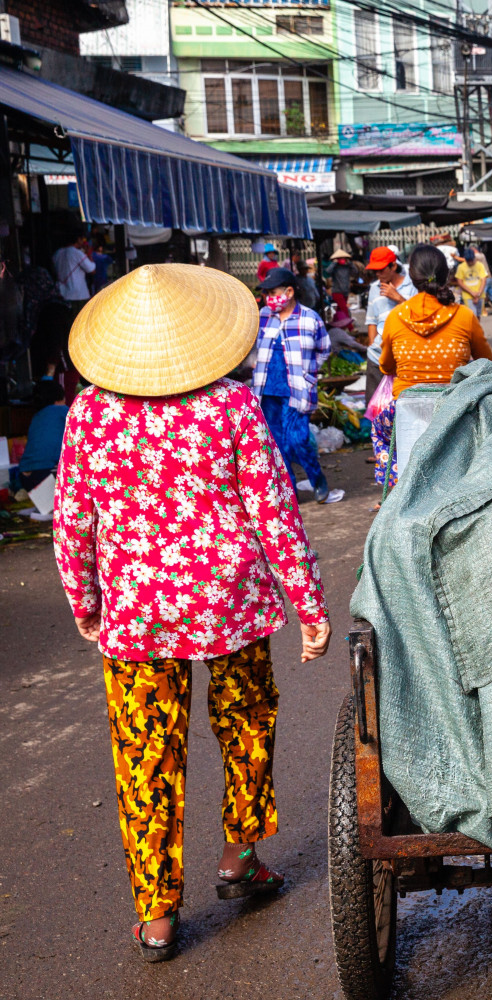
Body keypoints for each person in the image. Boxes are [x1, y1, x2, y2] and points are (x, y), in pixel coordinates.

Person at [52, 263, 331, 963]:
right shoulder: (230, 406)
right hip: (229, 606)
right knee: (244, 723)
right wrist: (310, 607)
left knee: (146, 755)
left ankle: (156, 914)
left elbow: (71, 522)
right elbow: (275, 512)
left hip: (136, 619)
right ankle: (239, 855)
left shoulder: (90, 412)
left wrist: (88, 605)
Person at [378, 244, 492, 482]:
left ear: (412, 277)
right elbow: (487, 363)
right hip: (456, 409)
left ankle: (394, 485)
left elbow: (385, 366)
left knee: (379, 431)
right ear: (446, 275)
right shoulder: (464, 315)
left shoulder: (395, 317)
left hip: (407, 408)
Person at [251, 267, 343, 505]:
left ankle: (318, 482)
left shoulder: (310, 318)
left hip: (298, 391)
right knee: (276, 444)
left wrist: (307, 373)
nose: (268, 298)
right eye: (266, 294)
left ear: (289, 291)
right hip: (267, 390)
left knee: (298, 440)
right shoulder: (263, 316)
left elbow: (324, 350)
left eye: (272, 292)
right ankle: (290, 491)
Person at [363, 247, 417, 486]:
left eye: (380, 270)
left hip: (403, 363)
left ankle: (405, 470)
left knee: (403, 417)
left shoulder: (412, 287)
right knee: (377, 417)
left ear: (393, 266)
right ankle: (386, 476)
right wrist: (372, 348)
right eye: (373, 271)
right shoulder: (374, 289)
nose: (377, 275)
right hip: (377, 360)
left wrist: (398, 298)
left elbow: (418, 318)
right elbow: (371, 322)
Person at [17, 377, 67, 491]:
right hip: (46, 472)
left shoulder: (36, 417)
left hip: (25, 474)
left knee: (46, 506)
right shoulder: (63, 410)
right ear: (60, 399)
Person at [52, 231, 96, 313]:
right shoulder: (77, 253)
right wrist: (89, 254)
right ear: (78, 239)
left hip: (62, 294)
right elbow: (92, 270)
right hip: (78, 295)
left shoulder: (57, 253)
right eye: (82, 239)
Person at [456, 246, 490, 318]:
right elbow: (459, 282)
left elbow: (484, 279)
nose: (470, 263)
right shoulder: (461, 267)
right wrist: (472, 293)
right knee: (472, 315)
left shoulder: (480, 265)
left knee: (478, 315)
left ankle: (477, 329)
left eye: (471, 260)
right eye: (468, 261)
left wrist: (478, 293)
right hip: (468, 295)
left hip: (480, 294)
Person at [327, 249, 355, 314]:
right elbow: (328, 271)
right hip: (337, 292)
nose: (342, 259)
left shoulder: (347, 267)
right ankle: (348, 323)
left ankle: (336, 322)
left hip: (346, 291)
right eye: (340, 258)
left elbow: (355, 272)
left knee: (340, 310)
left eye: (343, 258)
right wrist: (334, 263)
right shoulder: (335, 267)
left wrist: (350, 263)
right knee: (344, 310)